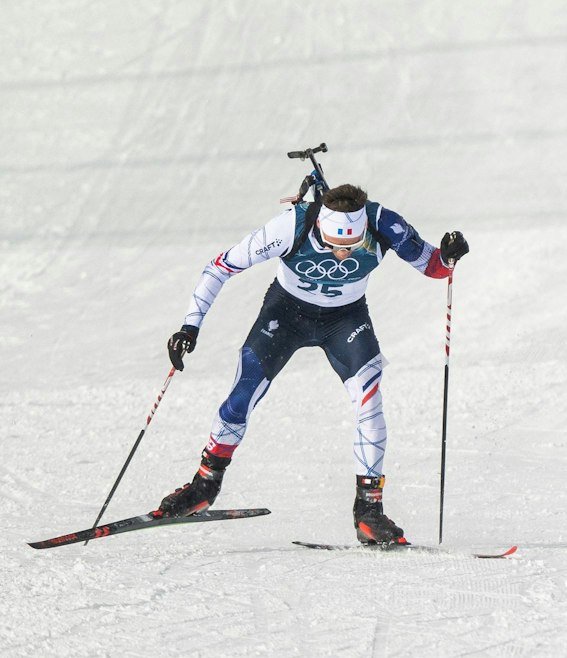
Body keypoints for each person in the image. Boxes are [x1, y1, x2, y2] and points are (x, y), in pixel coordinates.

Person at [153, 183, 468, 543]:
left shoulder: (382, 222)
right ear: (320, 228)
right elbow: (220, 267)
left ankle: (368, 511)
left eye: (351, 248)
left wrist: (449, 255)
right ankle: (204, 486)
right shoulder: (291, 225)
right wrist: (189, 327)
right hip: (286, 315)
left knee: (370, 403)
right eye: (334, 245)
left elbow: (434, 267)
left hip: (345, 320)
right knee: (243, 394)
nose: (341, 255)